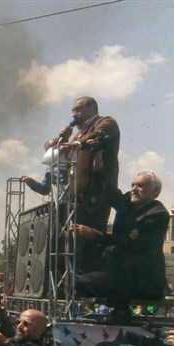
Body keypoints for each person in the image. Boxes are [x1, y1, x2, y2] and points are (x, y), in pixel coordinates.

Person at [74, 171, 169, 316]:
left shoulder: (157, 214)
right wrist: (90, 164)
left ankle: (121, 314)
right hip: (118, 276)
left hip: (143, 281)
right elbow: (108, 188)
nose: (134, 189)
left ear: (155, 191)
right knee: (73, 283)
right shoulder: (128, 203)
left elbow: (131, 242)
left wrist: (96, 235)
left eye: (140, 185)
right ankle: (114, 311)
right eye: (133, 185)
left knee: (81, 283)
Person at [52, 96, 120, 271]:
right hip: (76, 198)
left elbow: (97, 136)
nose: (74, 114)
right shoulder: (78, 134)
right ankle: (70, 280)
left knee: (89, 243)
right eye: (72, 111)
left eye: (78, 109)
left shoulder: (105, 122)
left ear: (92, 108)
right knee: (70, 244)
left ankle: (88, 279)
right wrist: (64, 140)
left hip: (96, 195)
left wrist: (74, 143)